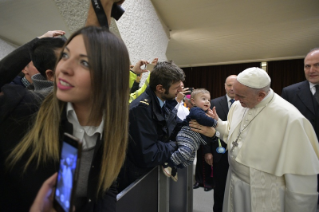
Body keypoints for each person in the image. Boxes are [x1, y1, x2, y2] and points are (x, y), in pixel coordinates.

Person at [0, 26, 130, 211]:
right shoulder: (22, 108)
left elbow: (106, 185)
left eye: (84, 63)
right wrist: (36, 42)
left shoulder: (108, 126)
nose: (66, 68)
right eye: (65, 57)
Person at [192, 67, 319, 212]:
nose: (235, 99)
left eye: (241, 96)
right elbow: (234, 130)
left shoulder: (291, 119)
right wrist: (218, 125)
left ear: (261, 95)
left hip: (265, 191)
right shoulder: (239, 104)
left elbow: (301, 179)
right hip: (234, 181)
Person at [118, 61, 185, 191]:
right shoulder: (140, 110)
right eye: (176, 88)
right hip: (136, 181)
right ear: (160, 88)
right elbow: (150, 154)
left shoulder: (163, 101)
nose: (180, 91)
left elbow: (174, 126)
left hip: (148, 175)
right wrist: (177, 144)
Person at [162, 88, 217, 181]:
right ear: (193, 101)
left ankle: (174, 167)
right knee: (185, 152)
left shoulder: (205, 113)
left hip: (194, 142)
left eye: (209, 100)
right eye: (203, 99)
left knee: (189, 160)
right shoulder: (196, 110)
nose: (207, 101)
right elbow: (201, 118)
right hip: (187, 136)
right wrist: (214, 122)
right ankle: (168, 163)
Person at [203, 75, 236, 211]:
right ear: (224, 86)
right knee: (220, 189)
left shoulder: (246, 104)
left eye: (235, 85)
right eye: (229, 85)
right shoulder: (214, 103)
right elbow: (206, 128)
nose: (232, 88)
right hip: (219, 154)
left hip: (240, 155)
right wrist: (207, 151)